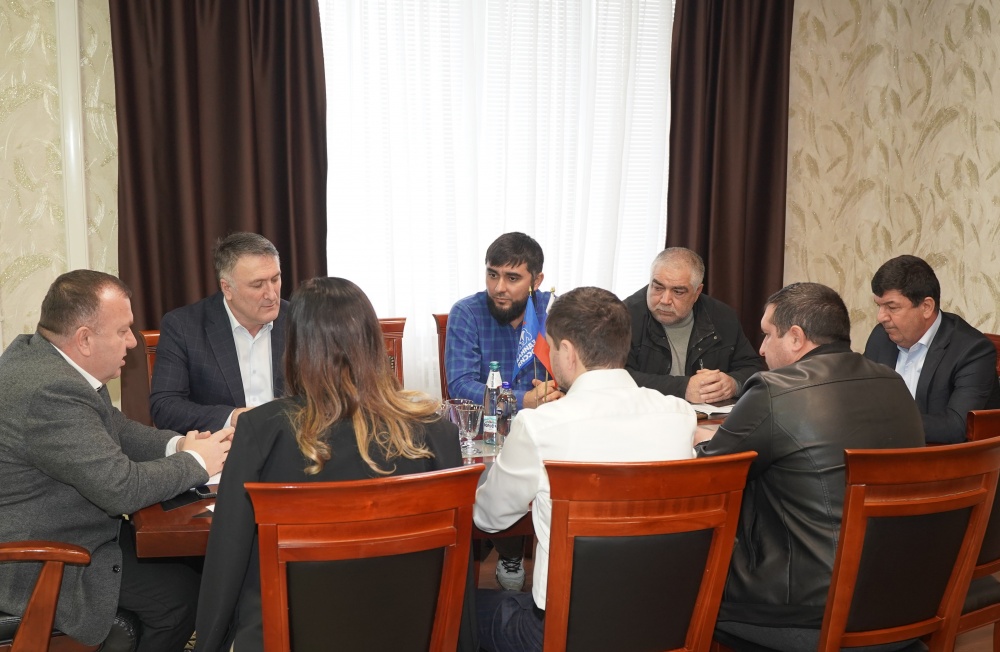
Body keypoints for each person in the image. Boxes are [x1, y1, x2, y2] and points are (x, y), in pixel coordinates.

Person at [195, 277, 468, 652]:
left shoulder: (261, 431)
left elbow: (228, 558)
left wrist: (210, 643)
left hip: (285, 634)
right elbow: (458, 564)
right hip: (410, 632)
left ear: (296, 347)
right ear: (373, 343)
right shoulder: (436, 432)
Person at [0, 270, 232, 651]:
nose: (133, 341)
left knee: (194, 568)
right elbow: (121, 489)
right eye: (123, 330)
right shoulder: (51, 392)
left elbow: (116, 429)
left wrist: (179, 446)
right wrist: (197, 463)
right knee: (181, 600)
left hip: (72, 527)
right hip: (43, 559)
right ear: (84, 339)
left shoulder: (49, 359)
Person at [696, 282, 924, 652]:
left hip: (805, 612)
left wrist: (698, 441)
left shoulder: (775, 389)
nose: (761, 348)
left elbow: (708, 477)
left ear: (796, 337)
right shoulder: (893, 382)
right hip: (903, 601)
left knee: (679, 574)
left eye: (767, 334)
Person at [474, 286, 697, 652]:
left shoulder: (540, 426)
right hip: (664, 621)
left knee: (459, 609)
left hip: (565, 632)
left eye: (550, 348)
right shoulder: (680, 415)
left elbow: (488, 517)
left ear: (567, 351)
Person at [445, 232, 563, 590]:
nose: (499, 287)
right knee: (489, 486)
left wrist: (555, 393)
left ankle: (554, 564)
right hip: (486, 435)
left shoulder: (555, 313)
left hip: (545, 431)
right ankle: (509, 551)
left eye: (513, 278)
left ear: (536, 281)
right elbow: (460, 384)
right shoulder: (467, 312)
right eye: (492, 274)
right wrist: (521, 400)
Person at [150, 232, 288, 433]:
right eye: (258, 285)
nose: (271, 294)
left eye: (275, 279)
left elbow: (329, 395)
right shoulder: (184, 327)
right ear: (227, 288)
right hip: (223, 445)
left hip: (290, 443)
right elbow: (165, 407)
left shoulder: (300, 320)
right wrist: (233, 418)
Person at [864, 254, 1000, 443]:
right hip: (885, 452)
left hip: (945, 458)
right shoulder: (881, 337)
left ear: (926, 307)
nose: (881, 317)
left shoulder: (973, 351)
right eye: (879, 306)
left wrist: (885, 424)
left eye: (892, 307)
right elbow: (862, 398)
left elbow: (957, 426)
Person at [624, 247, 764, 403]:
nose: (665, 300)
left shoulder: (722, 317)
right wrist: (682, 388)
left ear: (697, 292)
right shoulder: (623, 317)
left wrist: (733, 384)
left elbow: (752, 368)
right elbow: (614, 377)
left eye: (678, 292)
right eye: (658, 288)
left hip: (708, 415)